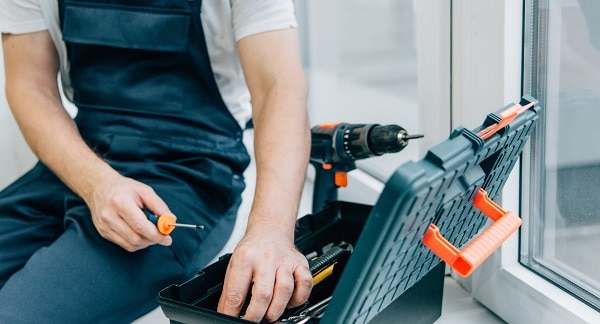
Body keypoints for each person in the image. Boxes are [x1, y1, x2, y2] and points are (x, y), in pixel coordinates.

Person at [0, 0, 313, 323]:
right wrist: (96, 184)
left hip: (187, 174)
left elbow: (279, 86)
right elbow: (30, 85)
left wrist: (271, 231)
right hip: (75, 160)